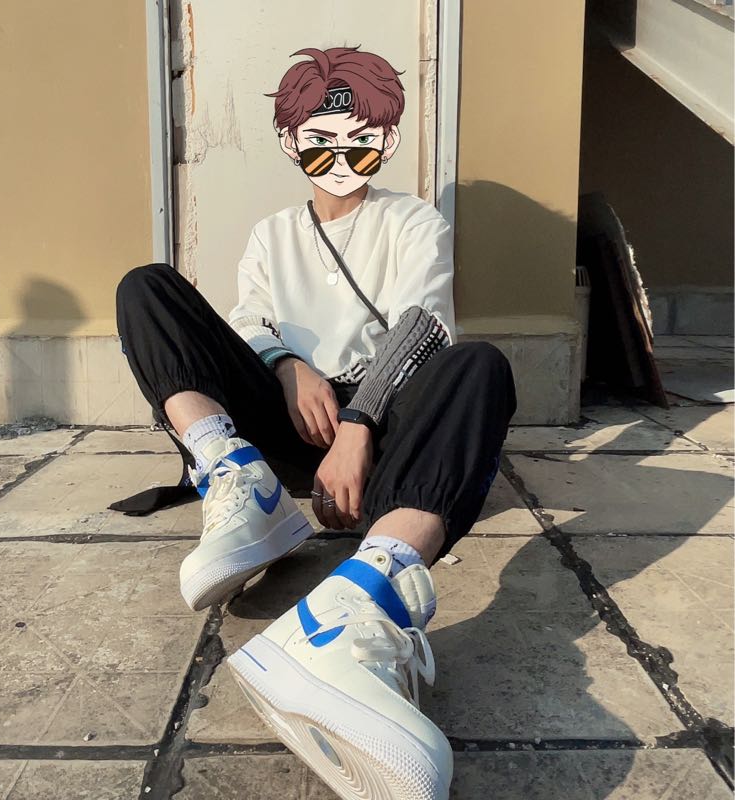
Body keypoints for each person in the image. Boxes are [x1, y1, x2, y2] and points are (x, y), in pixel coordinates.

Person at [116, 46, 517, 800]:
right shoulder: (272, 234)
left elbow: (422, 322)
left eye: (361, 139)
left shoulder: (412, 220)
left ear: (387, 139)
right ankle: (238, 479)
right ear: (289, 140)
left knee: (479, 365)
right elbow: (249, 319)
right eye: (320, 140)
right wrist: (286, 365)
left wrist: (360, 422)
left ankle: (361, 601)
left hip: (382, 430)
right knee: (148, 288)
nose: (341, 158)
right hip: (289, 424)